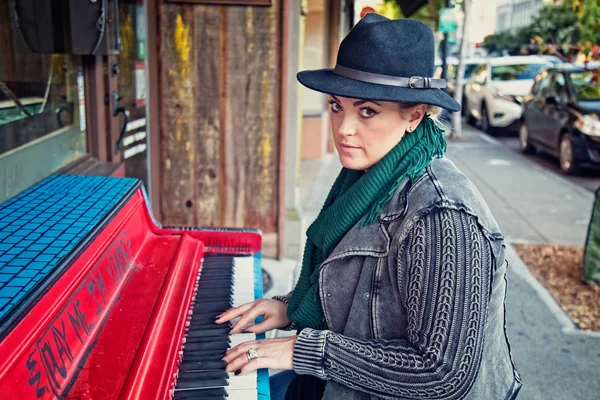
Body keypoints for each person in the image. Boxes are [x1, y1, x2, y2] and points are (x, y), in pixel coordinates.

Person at [216, 14, 522, 400]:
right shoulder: (368, 179)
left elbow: (441, 373)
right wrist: (292, 307)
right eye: (336, 106)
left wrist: (300, 349)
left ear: (414, 115)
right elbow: (366, 293)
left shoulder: (442, 218)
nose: (343, 128)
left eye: (367, 111)